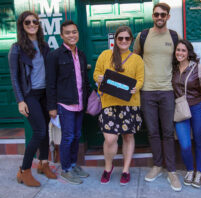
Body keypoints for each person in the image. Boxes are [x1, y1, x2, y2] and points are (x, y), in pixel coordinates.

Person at [133, 2, 182, 192]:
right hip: (147, 91)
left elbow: (183, 57)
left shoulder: (175, 36)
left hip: (167, 90)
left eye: (163, 14)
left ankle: (171, 170)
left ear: (168, 16)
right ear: (153, 16)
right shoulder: (143, 36)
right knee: (153, 131)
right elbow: (135, 59)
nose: (159, 17)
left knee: (168, 132)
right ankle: (157, 165)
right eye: (156, 14)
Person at [8, 11, 57, 187]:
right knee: (39, 131)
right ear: (22, 25)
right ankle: (24, 170)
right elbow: (14, 77)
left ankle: (44, 164)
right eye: (27, 22)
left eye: (34, 21)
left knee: (46, 131)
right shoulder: (17, 48)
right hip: (30, 95)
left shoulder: (44, 46)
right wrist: (20, 100)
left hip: (45, 94)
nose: (31, 24)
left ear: (38, 24)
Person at [93, 26, 144, 186]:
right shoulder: (105, 55)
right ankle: (108, 167)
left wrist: (138, 87)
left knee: (128, 136)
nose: (123, 41)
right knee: (110, 138)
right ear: (115, 40)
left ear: (130, 40)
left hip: (130, 103)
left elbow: (140, 79)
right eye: (120, 38)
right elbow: (96, 73)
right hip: (109, 102)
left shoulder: (136, 59)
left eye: (126, 38)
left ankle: (125, 170)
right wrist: (99, 77)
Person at [46, 20, 90, 185]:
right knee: (68, 137)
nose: (72, 35)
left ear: (78, 34)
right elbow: (50, 83)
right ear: (61, 35)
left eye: (74, 32)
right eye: (68, 33)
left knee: (77, 136)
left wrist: (87, 101)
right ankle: (66, 169)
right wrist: (52, 107)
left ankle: (73, 164)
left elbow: (84, 80)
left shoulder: (82, 55)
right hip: (64, 104)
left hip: (79, 103)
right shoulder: (54, 56)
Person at [171, 39, 201, 188]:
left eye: (183, 50)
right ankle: (190, 170)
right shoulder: (173, 69)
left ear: (189, 52)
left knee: (198, 141)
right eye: (178, 50)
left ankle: (199, 172)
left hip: (197, 107)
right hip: (180, 109)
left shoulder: (197, 67)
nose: (180, 53)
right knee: (184, 144)